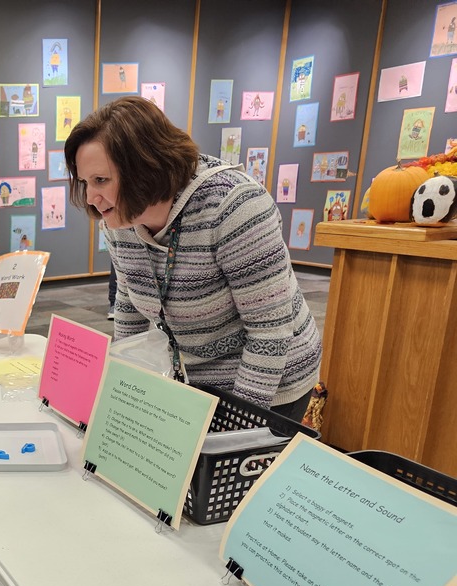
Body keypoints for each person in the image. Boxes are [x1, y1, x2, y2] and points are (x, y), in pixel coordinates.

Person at [64, 96, 322, 419]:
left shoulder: (234, 207)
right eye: (86, 183)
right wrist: (126, 397)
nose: (90, 198)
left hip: (274, 379)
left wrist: (234, 425)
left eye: (101, 181)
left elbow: (269, 333)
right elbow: (129, 305)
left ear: (144, 169)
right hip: (197, 374)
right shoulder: (119, 218)